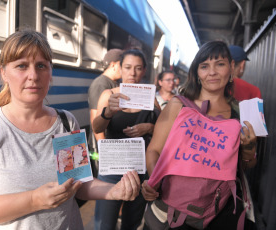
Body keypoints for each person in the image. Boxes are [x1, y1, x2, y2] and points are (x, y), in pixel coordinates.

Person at [0, 30, 141, 230]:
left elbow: (79, 184)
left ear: (50, 73)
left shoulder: (66, 122)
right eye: (21, 66)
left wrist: (114, 191)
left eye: (41, 66)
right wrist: (33, 200)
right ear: (4, 72)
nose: (33, 76)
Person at [141, 41, 257, 229]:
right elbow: (154, 149)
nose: (212, 72)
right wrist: (154, 182)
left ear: (231, 67)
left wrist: (249, 148)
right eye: (204, 66)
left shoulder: (240, 113)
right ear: (197, 72)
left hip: (217, 213)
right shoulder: (178, 105)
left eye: (219, 64)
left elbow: (247, 165)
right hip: (168, 213)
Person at [92, 49, 160, 230]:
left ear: (144, 71)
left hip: (139, 169)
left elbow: (164, 133)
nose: (133, 73)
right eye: (128, 67)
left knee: (132, 223)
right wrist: (108, 112)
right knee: (104, 223)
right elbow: (97, 128)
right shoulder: (108, 94)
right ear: (120, 68)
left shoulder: (150, 97)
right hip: (113, 167)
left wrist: (151, 128)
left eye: (138, 68)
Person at [88, 49, 124, 156]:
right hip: (102, 147)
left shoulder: (115, 83)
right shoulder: (101, 84)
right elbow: (94, 117)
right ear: (113, 65)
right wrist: (103, 149)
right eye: (122, 65)